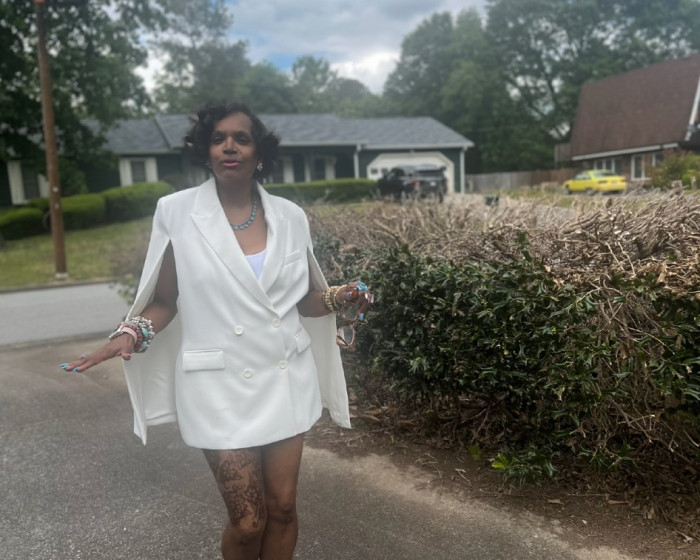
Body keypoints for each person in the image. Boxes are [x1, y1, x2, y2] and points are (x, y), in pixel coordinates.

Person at [60, 100, 373, 560]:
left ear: (259, 152)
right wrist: (129, 334)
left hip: (284, 377)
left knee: (283, 508)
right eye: (218, 139)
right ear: (205, 152)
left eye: (241, 138)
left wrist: (339, 295)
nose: (229, 147)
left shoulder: (290, 216)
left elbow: (303, 300)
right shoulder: (176, 212)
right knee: (247, 523)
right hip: (217, 388)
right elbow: (165, 300)